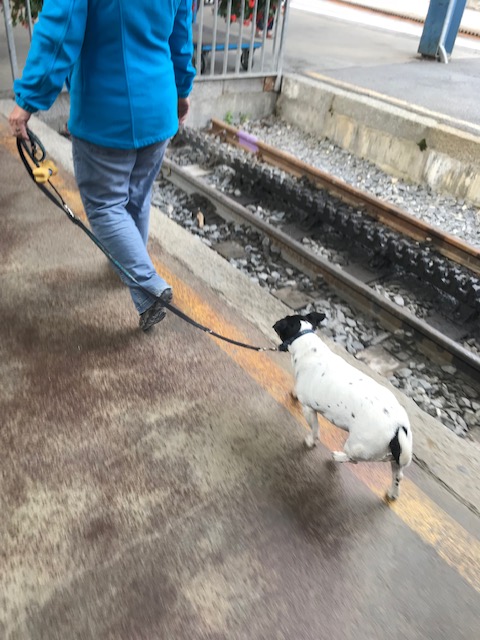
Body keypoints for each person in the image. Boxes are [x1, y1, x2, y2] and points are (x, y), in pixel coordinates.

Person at [9, 0, 196, 332]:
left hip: (105, 114)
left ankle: (148, 287)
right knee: (136, 198)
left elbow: (60, 30)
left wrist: (29, 101)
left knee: (104, 205)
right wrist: (182, 90)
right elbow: (180, 34)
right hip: (158, 106)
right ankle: (131, 272)